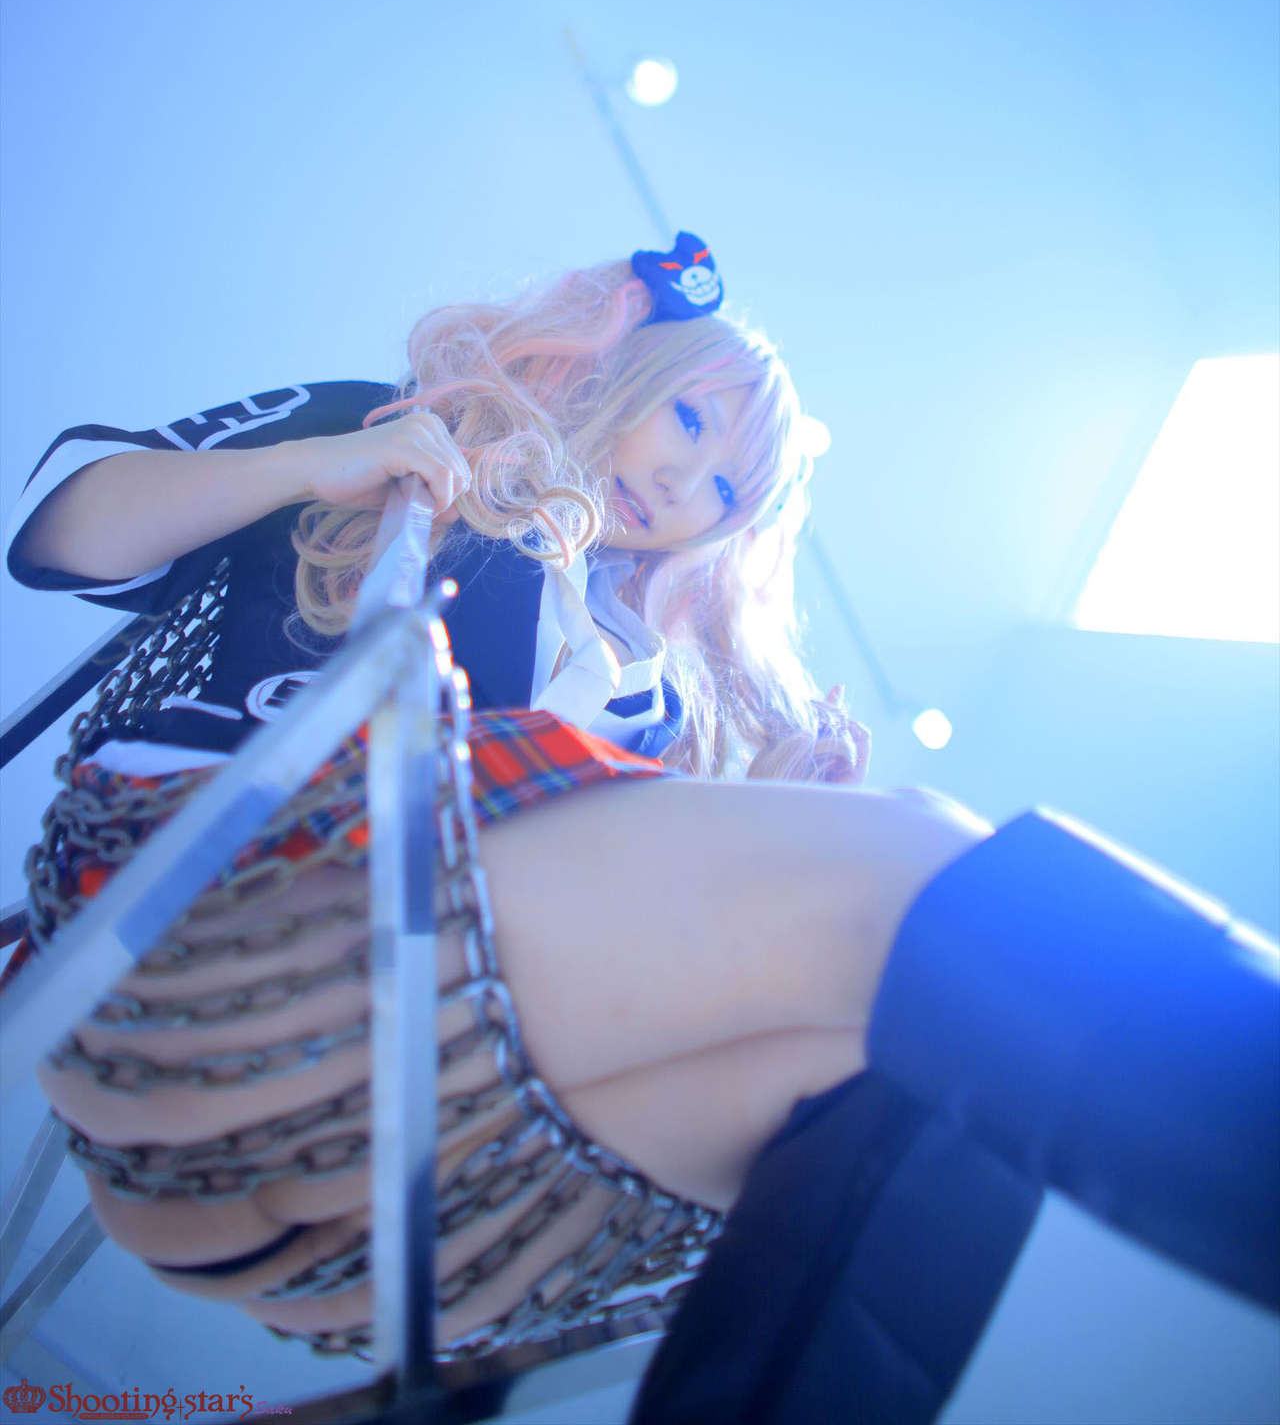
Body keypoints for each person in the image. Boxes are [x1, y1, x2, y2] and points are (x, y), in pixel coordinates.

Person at [3, 237, 1276, 1410]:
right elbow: (60, 532)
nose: (683, 482)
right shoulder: (395, 430)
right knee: (927, 861)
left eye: (724, 486)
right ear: (624, 361)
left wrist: (775, 808)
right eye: (689, 416)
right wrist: (313, 467)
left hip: (376, 1212)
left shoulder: (643, 689)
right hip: (203, 953)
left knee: (907, 1080)